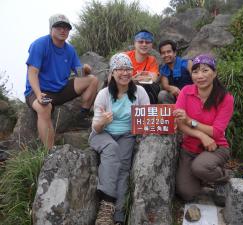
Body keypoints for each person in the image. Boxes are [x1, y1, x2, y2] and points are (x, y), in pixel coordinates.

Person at [89, 53, 150, 225]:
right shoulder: (103, 94)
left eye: (128, 68)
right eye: (120, 69)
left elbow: (147, 118)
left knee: (123, 169)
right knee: (111, 148)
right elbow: (96, 128)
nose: (125, 73)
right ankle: (106, 205)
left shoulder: (140, 93)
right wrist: (102, 122)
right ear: (112, 73)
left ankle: (118, 216)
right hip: (102, 134)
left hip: (127, 135)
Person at [24, 13, 98, 149]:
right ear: (51, 29)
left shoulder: (70, 50)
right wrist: (39, 94)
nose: (63, 30)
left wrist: (86, 70)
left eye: (66, 28)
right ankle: (49, 152)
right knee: (44, 108)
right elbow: (32, 73)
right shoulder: (40, 44)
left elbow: (79, 73)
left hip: (60, 90)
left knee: (92, 80)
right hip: (38, 91)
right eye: (59, 27)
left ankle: (82, 116)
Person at [173, 54, 234, 201]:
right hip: (190, 148)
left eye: (205, 70)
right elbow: (180, 124)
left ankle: (223, 177)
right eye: (195, 72)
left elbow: (217, 132)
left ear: (214, 73)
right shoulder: (186, 91)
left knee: (199, 167)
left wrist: (190, 120)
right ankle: (204, 175)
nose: (200, 76)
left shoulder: (225, 98)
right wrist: (201, 135)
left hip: (216, 147)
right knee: (187, 193)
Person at [125, 29, 160, 104]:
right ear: (135, 43)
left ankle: (148, 112)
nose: (144, 44)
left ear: (151, 45)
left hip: (143, 91)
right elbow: (113, 77)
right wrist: (131, 80)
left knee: (153, 86)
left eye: (147, 42)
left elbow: (154, 79)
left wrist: (136, 80)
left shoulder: (152, 60)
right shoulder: (125, 57)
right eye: (140, 42)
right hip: (125, 89)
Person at [158, 40, 193, 104]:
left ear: (175, 53)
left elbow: (197, 81)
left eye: (169, 52)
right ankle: (171, 113)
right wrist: (171, 88)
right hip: (176, 98)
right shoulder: (164, 69)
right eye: (163, 53)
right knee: (162, 94)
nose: (166, 55)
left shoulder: (187, 63)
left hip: (192, 95)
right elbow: (165, 85)